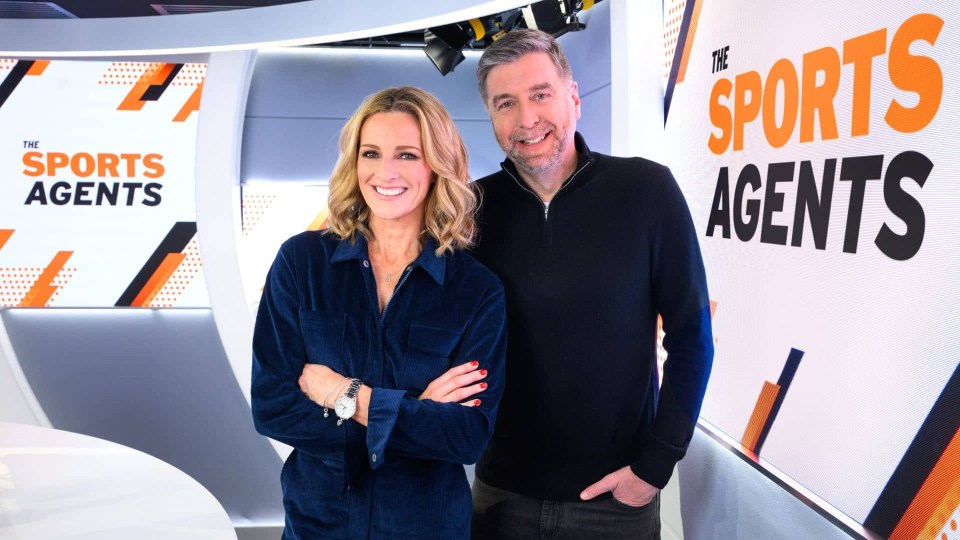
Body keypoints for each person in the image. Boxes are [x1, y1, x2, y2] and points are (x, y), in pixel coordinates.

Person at [468, 29, 714, 539]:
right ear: (491, 117)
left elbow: (693, 337)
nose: (527, 119)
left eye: (541, 94)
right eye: (505, 103)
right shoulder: (471, 212)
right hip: (501, 500)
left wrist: (654, 469)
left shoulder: (647, 190)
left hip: (614, 504)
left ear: (573, 97)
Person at [251, 86, 507, 540]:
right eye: (371, 153)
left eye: (407, 154)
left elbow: (466, 435)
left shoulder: (476, 290)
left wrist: (343, 393)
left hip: (426, 528)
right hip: (318, 525)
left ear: (437, 165)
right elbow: (273, 407)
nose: (385, 171)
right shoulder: (302, 262)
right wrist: (415, 415)